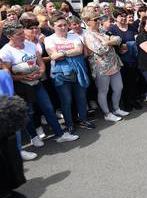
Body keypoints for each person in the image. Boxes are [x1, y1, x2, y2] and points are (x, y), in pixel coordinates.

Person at [0, 21, 78, 152]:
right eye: (19, 34)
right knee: (28, 112)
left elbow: (40, 62)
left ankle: (60, 134)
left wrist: (41, 72)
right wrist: (23, 77)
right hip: (22, 87)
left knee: (48, 107)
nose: (23, 36)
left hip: (37, 83)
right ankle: (33, 136)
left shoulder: (30, 45)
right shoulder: (5, 52)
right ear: (10, 36)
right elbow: (7, 75)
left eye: (22, 33)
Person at [45, 14, 95, 131]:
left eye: (65, 25)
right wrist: (68, 53)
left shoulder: (74, 37)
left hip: (78, 71)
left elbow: (79, 50)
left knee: (81, 97)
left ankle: (83, 119)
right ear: (52, 27)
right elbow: (53, 56)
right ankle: (69, 124)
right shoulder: (49, 39)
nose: (63, 27)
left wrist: (62, 53)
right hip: (60, 74)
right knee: (66, 100)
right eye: (59, 26)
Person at [82, 9, 128, 122]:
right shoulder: (87, 35)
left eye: (99, 18)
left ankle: (116, 108)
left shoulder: (102, 30)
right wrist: (110, 42)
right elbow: (100, 50)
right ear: (88, 21)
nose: (99, 21)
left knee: (118, 87)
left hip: (113, 63)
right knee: (103, 91)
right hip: (101, 66)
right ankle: (107, 113)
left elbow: (118, 39)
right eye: (96, 19)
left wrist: (107, 42)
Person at [108, 8, 142, 111]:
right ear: (115, 17)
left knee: (133, 81)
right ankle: (126, 102)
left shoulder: (132, 27)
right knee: (123, 83)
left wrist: (126, 45)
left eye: (124, 16)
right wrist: (124, 46)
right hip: (120, 60)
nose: (123, 18)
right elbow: (112, 44)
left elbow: (137, 41)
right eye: (120, 16)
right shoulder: (112, 29)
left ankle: (133, 100)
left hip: (133, 59)